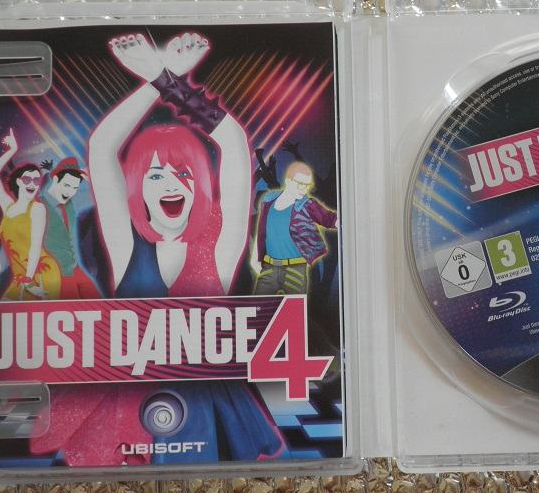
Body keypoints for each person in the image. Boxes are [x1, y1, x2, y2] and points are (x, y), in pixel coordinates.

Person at [78, 31, 281, 464]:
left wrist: (169, 81)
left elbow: (234, 144)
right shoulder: (127, 243)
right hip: (134, 406)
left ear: (199, 184)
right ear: (138, 186)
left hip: (208, 407)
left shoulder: (219, 245)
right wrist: (158, 79)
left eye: (183, 173)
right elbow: (101, 146)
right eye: (156, 175)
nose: (171, 184)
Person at [0, 130, 61, 300]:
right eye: (27, 179)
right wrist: (12, 150)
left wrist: (29, 280)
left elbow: (35, 246)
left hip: (40, 273)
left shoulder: (37, 209)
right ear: (19, 181)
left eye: (36, 180)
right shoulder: (7, 206)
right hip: (21, 276)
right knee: (2, 315)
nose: (32, 184)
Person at [251, 161, 338, 295]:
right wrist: (254, 257)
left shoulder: (307, 204)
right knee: (261, 306)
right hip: (269, 268)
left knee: (295, 307)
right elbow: (262, 230)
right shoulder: (268, 200)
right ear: (288, 181)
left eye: (307, 185)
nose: (304, 189)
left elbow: (330, 219)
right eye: (301, 184)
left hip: (295, 270)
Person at [40, 158, 101, 299]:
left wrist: (90, 179)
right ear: (55, 179)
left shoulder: (69, 204)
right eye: (67, 185)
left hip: (74, 268)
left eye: (74, 188)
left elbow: (100, 199)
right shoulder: (38, 205)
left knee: (98, 303)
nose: (70, 192)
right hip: (55, 273)